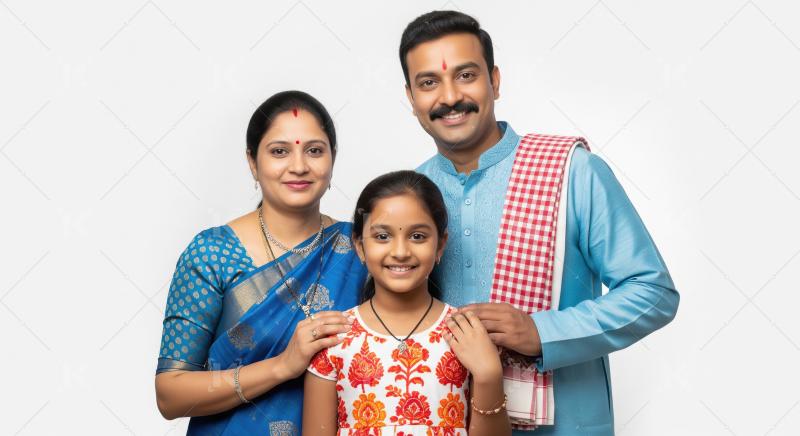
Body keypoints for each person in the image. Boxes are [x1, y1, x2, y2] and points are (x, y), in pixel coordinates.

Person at [401, 10, 680, 435]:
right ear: (411, 98)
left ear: (495, 81)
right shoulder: (409, 196)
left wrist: (542, 332)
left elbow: (653, 293)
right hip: (444, 420)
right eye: (428, 83)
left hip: (565, 424)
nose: (450, 96)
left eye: (466, 75)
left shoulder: (571, 172)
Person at [154, 90, 367, 435]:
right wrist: (282, 366)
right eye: (279, 151)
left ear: (333, 159)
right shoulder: (213, 253)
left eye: (314, 150)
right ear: (253, 162)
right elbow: (171, 395)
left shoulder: (361, 248)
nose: (299, 166)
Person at [302, 171, 511, 435]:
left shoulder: (467, 334)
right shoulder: (334, 339)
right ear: (360, 246)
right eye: (382, 237)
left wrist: (489, 375)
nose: (400, 252)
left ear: (440, 245)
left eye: (417, 236)